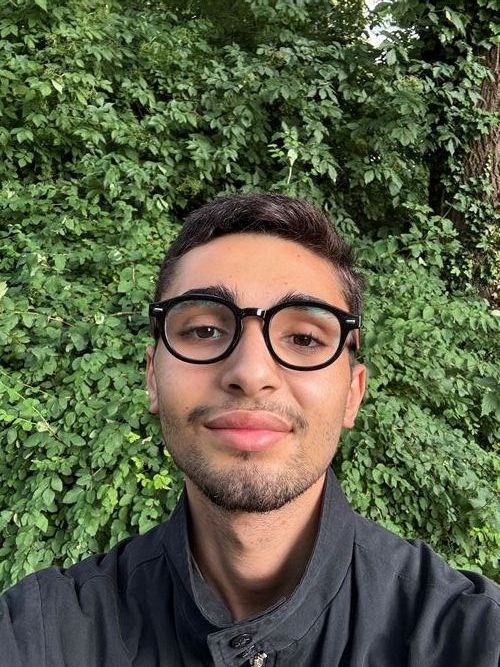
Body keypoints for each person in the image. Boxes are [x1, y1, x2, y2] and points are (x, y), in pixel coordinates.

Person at [0, 193, 498, 667]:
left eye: (304, 338)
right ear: (152, 376)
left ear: (352, 392)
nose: (252, 372)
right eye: (204, 330)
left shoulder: (472, 636)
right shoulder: (41, 632)